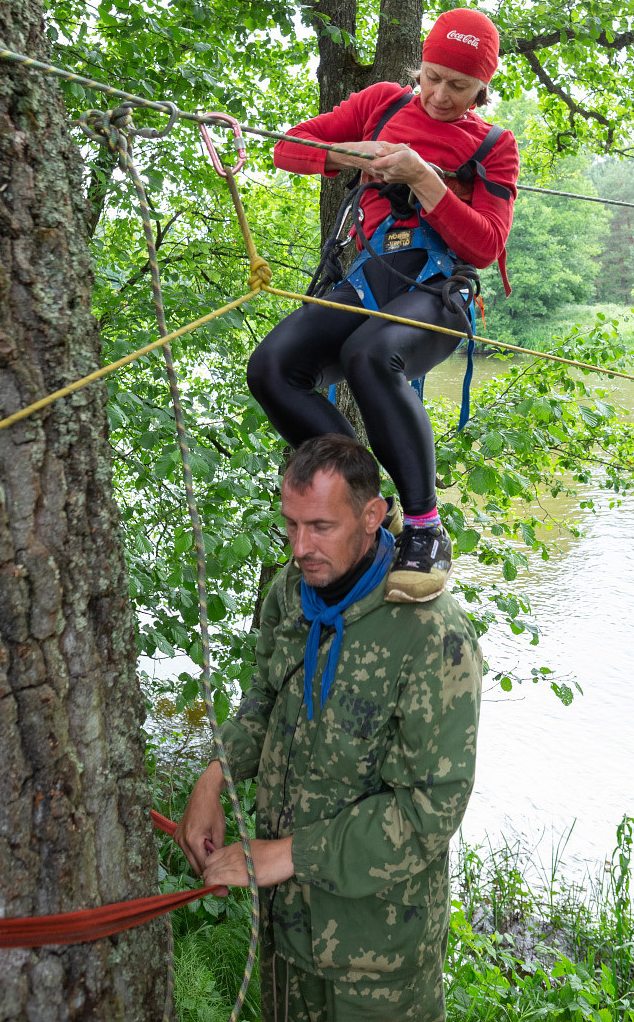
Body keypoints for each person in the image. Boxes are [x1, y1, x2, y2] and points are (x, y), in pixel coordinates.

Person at [175, 435, 483, 1022]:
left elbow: (431, 806)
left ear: (373, 517)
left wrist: (286, 854)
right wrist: (213, 777)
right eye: (290, 525)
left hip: (376, 962)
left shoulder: (430, 633)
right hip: (285, 937)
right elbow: (264, 699)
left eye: (319, 526)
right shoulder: (292, 595)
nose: (299, 548)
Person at [247, 8, 519, 603]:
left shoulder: (494, 147)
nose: (441, 95)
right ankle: (373, 502)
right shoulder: (381, 102)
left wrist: (426, 179)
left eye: (459, 85)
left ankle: (425, 527)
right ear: (418, 67)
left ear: (482, 89)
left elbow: (485, 243)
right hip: (370, 281)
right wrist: (360, 155)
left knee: (372, 356)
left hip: (439, 293)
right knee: (272, 370)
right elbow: (287, 150)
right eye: (432, 77)